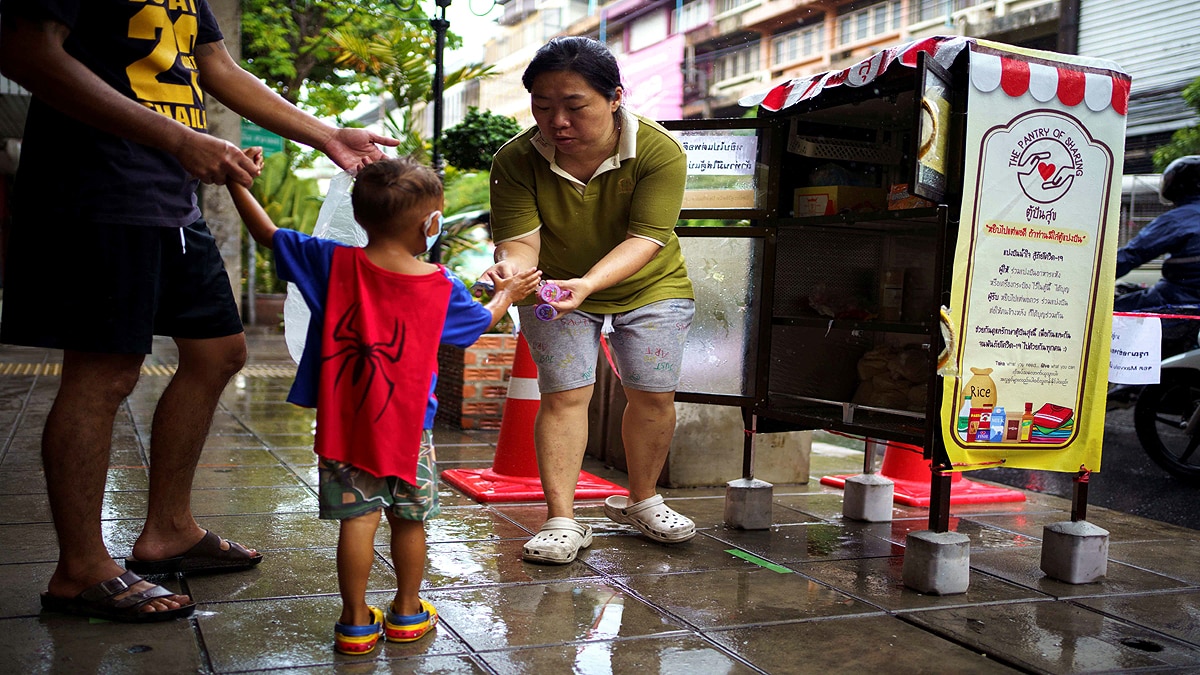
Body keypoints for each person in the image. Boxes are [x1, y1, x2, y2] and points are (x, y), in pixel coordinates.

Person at [0, 1, 398, 623]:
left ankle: (169, 529)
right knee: (104, 373)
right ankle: (80, 568)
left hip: (172, 196)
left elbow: (216, 65)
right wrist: (179, 138)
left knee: (219, 354)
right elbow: (28, 50)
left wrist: (323, 134)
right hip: (98, 189)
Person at [230, 153, 541, 655]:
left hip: (346, 426)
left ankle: (354, 623)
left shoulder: (331, 262)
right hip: (409, 429)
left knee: (357, 522)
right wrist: (505, 294)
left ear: (359, 215)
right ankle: (406, 612)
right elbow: (479, 325)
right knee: (409, 520)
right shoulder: (438, 284)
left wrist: (234, 182)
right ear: (431, 224)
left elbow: (268, 233)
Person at [482, 36, 696, 565]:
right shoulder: (514, 160)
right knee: (564, 394)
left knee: (653, 394)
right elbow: (520, 240)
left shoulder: (658, 150)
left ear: (615, 97)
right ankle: (561, 519)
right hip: (552, 287)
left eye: (574, 106)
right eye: (543, 106)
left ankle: (642, 500)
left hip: (650, 282)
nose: (557, 122)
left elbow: (647, 238)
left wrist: (591, 284)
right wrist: (512, 271)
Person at [1115, 155, 1200, 312]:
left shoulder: (1177, 219)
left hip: (1180, 302)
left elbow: (1132, 254)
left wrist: (1091, 279)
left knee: (1110, 310)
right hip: (1189, 300)